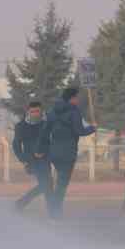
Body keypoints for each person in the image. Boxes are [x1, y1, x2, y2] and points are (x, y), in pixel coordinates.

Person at [44, 87, 95, 218]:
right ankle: (55, 211)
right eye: (76, 97)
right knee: (62, 184)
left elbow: (45, 131)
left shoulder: (52, 111)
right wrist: (92, 128)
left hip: (53, 151)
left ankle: (54, 209)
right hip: (68, 153)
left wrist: (40, 149)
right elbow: (79, 131)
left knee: (58, 183)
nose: (78, 100)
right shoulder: (74, 112)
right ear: (71, 98)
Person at [11, 100, 51, 211]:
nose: (35, 113)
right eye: (32, 111)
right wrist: (23, 159)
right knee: (46, 184)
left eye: (37, 111)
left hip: (45, 159)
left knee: (47, 184)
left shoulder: (47, 124)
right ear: (28, 112)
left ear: (41, 111)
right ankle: (52, 210)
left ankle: (21, 203)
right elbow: (16, 145)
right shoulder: (21, 126)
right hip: (31, 161)